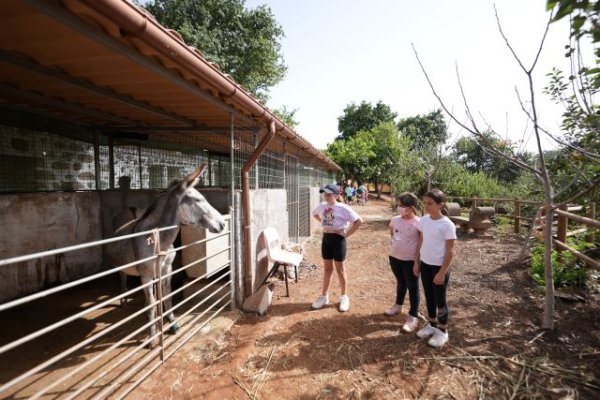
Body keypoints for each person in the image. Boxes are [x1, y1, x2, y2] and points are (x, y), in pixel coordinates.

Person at [414, 189, 457, 348]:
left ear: (441, 204)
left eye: (430, 203)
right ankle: (431, 324)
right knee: (429, 295)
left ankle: (443, 331)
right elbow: (422, 240)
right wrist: (416, 260)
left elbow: (450, 251)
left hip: (439, 266)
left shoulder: (447, 225)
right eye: (424, 203)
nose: (426, 206)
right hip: (425, 263)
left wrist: (441, 272)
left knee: (440, 298)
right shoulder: (424, 220)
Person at [311, 183, 363, 312]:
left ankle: (344, 297)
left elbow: (359, 221)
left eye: (328, 194)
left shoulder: (343, 207)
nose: (326, 196)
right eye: (325, 194)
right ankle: (324, 296)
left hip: (338, 240)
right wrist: (323, 222)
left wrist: (346, 234)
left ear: (336, 195)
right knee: (327, 269)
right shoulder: (322, 206)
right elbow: (314, 214)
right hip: (326, 239)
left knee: (340, 269)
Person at [385, 193, 421, 333]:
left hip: (410, 260)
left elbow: (421, 243)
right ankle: (398, 305)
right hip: (394, 257)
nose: (399, 208)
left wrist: (417, 261)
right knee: (401, 282)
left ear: (411, 207)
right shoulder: (395, 220)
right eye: (398, 205)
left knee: (413, 287)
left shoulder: (419, 223)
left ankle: (413, 316)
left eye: (402, 205)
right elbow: (392, 234)